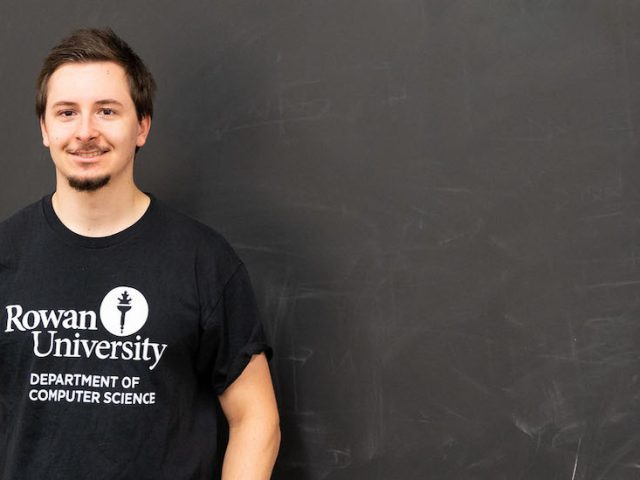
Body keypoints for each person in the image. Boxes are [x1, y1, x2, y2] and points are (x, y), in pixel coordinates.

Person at [0, 28, 280, 479]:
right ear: (45, 129)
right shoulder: (6, 254)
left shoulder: (202, 260)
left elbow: (255, 418)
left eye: (107, 111)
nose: (85, 131)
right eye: (67, 112)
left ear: (142, 126)